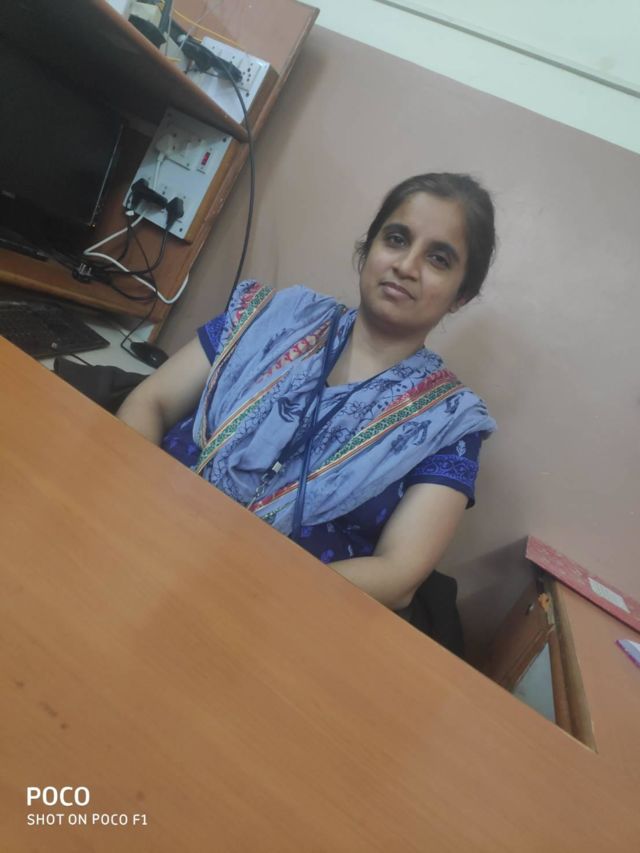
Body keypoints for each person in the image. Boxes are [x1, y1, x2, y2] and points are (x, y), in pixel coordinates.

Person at [118, 173, 496, 615]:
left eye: (438, 259)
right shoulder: (276, 317)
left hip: (268, 614)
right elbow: (150, 402)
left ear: (461, 295)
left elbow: (398, 575)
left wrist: (242, 585)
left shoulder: (448, 422)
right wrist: (132, 502)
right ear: (368, 249)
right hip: (140, 527)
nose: (406, 266)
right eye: (396, 239)